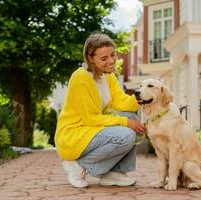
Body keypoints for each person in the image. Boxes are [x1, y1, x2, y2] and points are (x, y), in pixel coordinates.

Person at [54, 33, 146, 188]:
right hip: (74, 133)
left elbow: (121, 101)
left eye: (112, 55)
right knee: (126, 134)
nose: (111, 61)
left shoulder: (108, 75)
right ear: (90, 59)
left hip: (92, 130)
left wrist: (143, 96)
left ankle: (114, 174)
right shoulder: (81, 78)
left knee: (131, 117)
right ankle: (78, 166)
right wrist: (125, 122)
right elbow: (90, 118)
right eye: (104, 59)